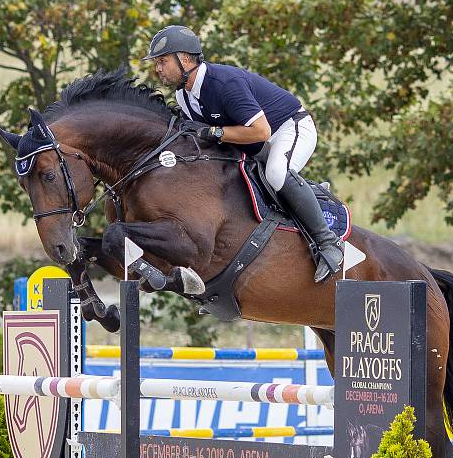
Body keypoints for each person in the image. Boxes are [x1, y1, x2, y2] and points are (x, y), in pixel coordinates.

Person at [141, 25, 344, 282]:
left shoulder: (224, 83)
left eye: (162, 61)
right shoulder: (183, 95)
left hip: (288, 128)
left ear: (184, 59)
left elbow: (260, 131)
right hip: (251, 142)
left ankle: (328, 242)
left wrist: (216, 133)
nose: (157, 69)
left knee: (276, 173)